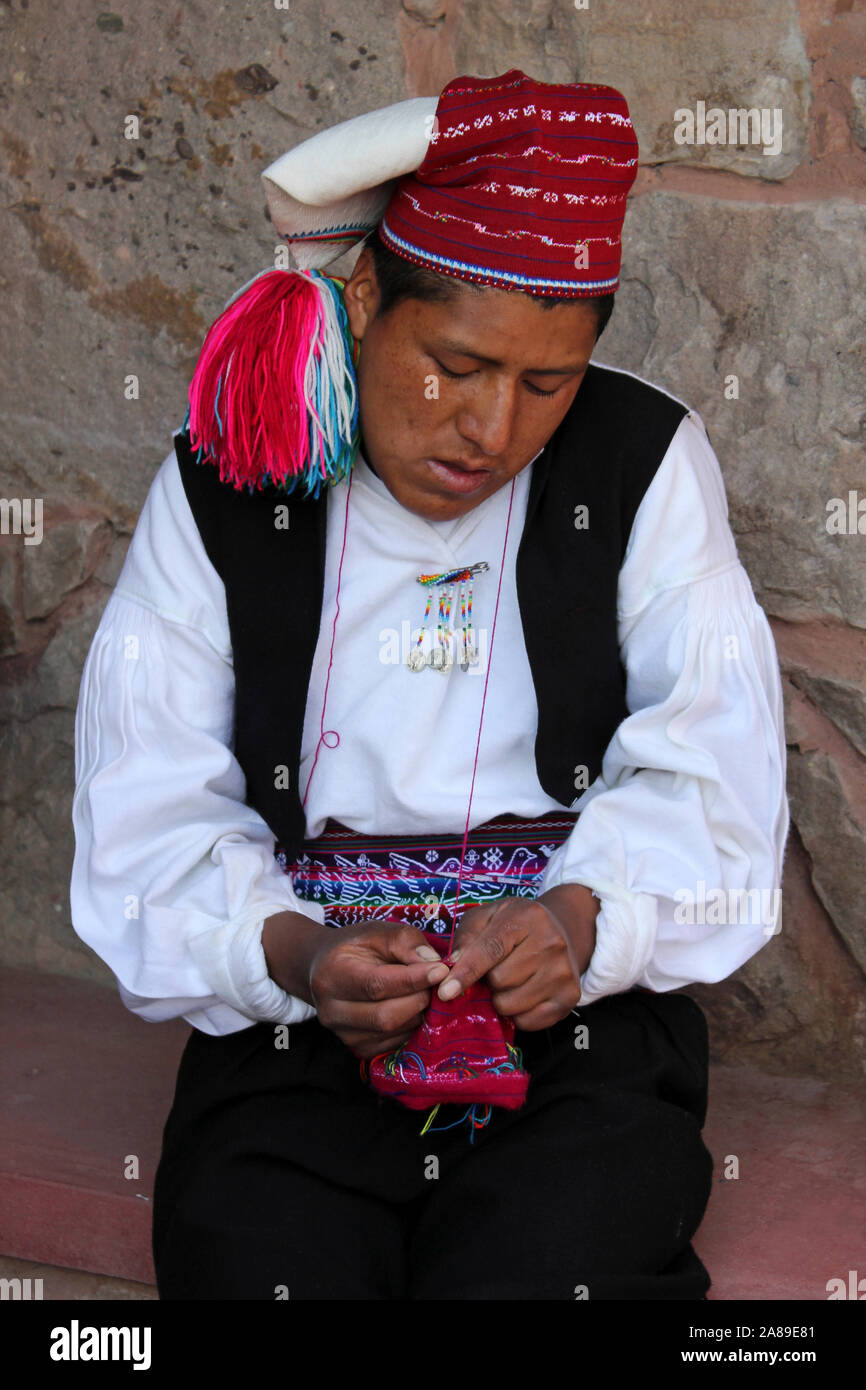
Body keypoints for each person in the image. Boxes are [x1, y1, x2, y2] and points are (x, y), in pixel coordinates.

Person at [70, 70, 789, 1300]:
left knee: (540, 1269)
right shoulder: (223, 480)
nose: (491, 430)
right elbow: (149, 815)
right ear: (363, 302)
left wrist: (571, 925)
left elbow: (711, 780)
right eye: (454, 365)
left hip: (576, 1017)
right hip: (302, 1016)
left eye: (545, 384)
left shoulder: (642, 464)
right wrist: (298, 955)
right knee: (259, 1263)